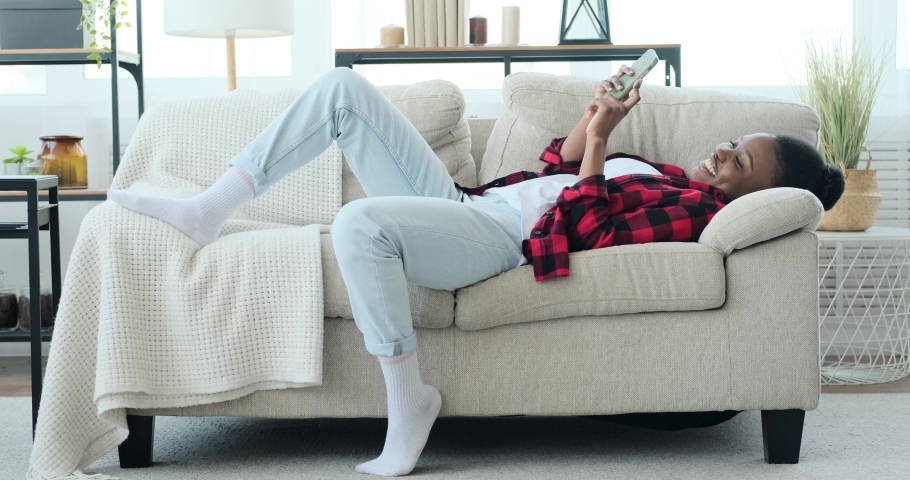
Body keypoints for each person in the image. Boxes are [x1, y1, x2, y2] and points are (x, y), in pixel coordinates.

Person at [107, 65, 845, 476]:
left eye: (740, 161)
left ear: (755, 192)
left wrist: (601, 146)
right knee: (343, 91)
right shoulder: (664, 172)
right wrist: (597, 118)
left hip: (499, 242)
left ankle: (410, 403)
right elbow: (555, 166)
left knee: (361, 223)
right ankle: (210, 209)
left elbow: (589, 228)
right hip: (466, 203)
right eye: (733, 144)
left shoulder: (691, 210)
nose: (722, 154)